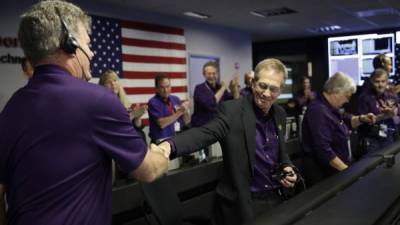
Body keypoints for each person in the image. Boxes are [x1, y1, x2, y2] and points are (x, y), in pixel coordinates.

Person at [0, 1, 169, 225]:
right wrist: (164, 151)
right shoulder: (98, 100)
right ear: (69, 44)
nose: (92, 52)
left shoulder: (12, 107)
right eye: (88, 43)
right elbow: (148, 171)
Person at [159, 58, 298, 225]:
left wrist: (287, 166)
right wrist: (169, 146)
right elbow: (204, 133)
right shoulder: (232, 111)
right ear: (253, 83)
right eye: (262, 85)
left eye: (273, 89)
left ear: (280, 90)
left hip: (277, 199)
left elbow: (281, 153)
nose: (266, 93)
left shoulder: (280, 114)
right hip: (244, 206)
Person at [302, 72, 375, 183]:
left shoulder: (329, 108)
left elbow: (345, 121)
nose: (347, 101)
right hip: (325, 177)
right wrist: (347, 171)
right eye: (347, 96)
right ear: (336, 92)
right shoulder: (318, 111)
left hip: (336, 172)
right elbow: (323, 149)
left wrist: (361, 118)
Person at [191, 61, 239, 160]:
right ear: (204, 74)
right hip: (202, 129)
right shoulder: (199, 89)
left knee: (218, 157)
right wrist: (223, 88)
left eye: (214, 73)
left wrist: (234, 88)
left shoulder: (219, 87)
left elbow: (233, 100)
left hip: (217, 128)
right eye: (209, 73)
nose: (212, 76)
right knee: (204, 159)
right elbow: (211, 104)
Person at [358, 69, 400, 153]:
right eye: (377, 82)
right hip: (372, 138)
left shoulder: (391, 96)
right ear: (371, 81)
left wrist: (395, 111)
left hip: (391, 134)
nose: (380, 85)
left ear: (387, 82)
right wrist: (384, 116)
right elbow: (362, 122)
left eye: (383, 81)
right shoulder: (364, 98)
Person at [99, 69, 147, 140]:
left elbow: (137, 127)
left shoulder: (124, 103)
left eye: (115, 80)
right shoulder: (101, 105)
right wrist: (133, 114)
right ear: (102, 86)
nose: (113, 84)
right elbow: (115, 126)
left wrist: (137, 117)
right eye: (108, 82)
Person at [148, 74, 190, 144]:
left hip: (176, 138)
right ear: (156, 88)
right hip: (161, 141)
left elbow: (186, 121)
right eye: (162, 87)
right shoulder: (153, 102)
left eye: (167, 86)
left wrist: (185, 111)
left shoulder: (175, 99)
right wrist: (179, 112)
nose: (165, 90)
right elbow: (161, 123)